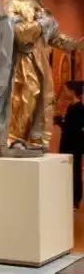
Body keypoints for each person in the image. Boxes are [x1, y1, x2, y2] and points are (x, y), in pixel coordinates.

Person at [0, 0, 84, 155]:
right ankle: (14, 138)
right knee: (23, 98)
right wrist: (40, 25)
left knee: (41, 100)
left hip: (40, 61)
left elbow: (54, 37)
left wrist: (75, 44)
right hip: (22, 61)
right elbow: (18, 34)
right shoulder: (11, 5)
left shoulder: (40, 8)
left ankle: (33, 138)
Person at [59, 81, 84, 210]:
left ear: (72, 92)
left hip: (74, 145)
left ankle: (75, 200)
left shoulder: (79, 108)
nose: (64, 93)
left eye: (65, 90)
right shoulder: (71, 107)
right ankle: (69, 198)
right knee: (69, 172)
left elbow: (75, 128)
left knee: (75, 171)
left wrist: (62, 123)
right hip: (68, 144)